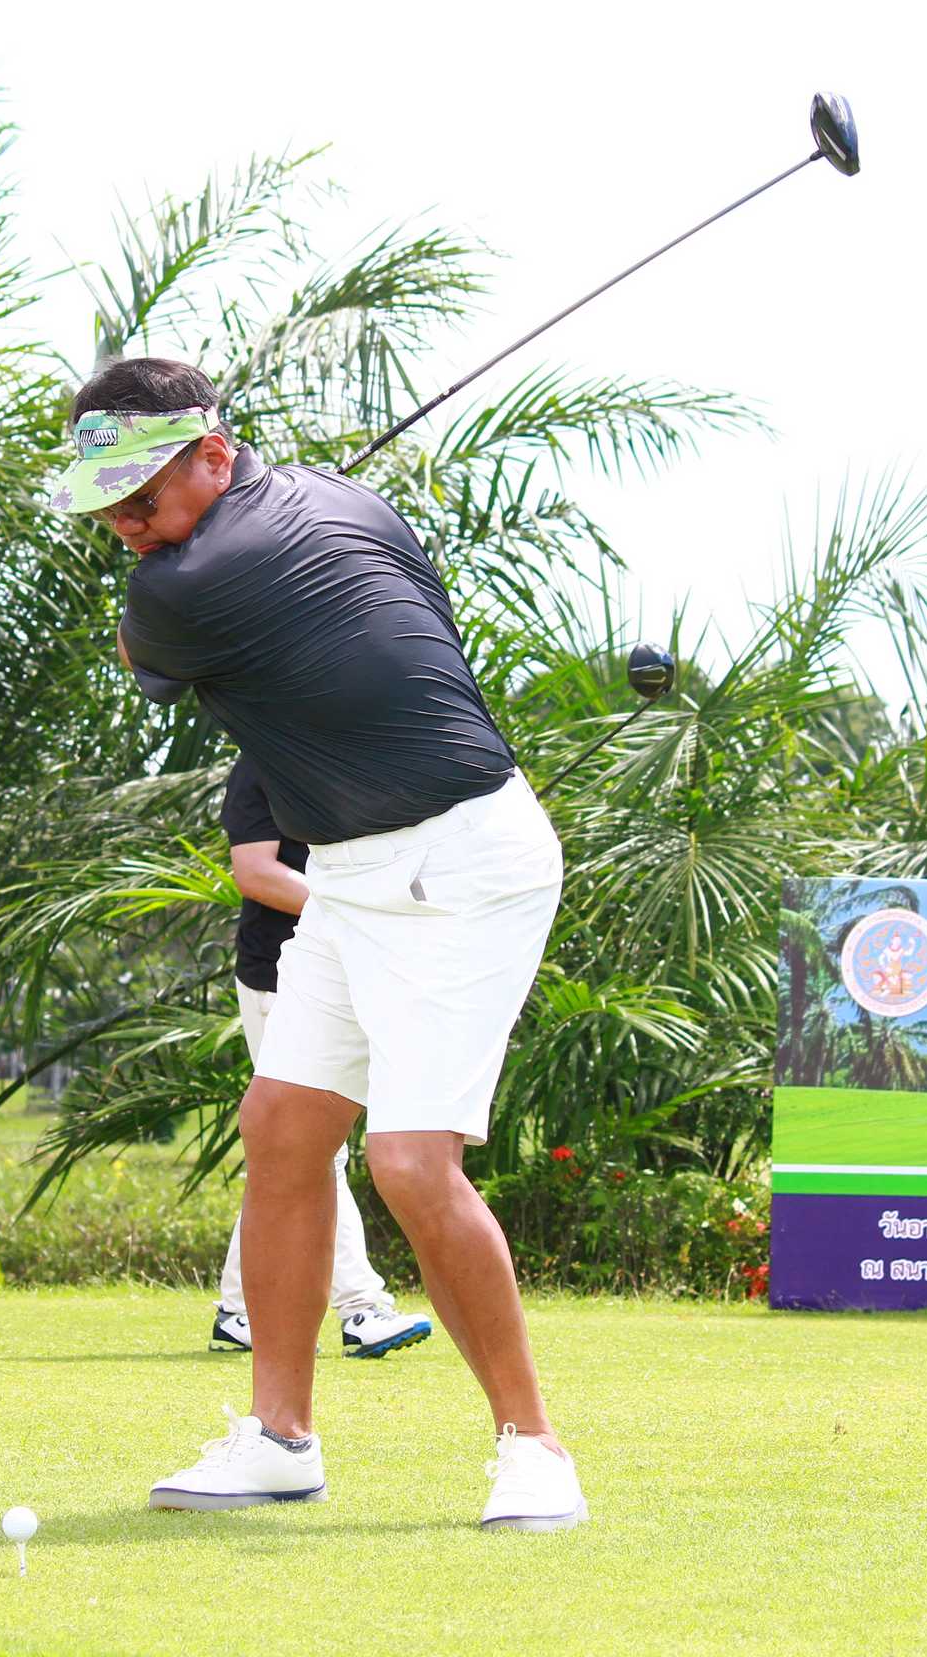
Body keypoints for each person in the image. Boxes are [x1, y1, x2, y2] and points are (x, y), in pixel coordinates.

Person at [47, 357, 586, 1533]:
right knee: (284, 1129)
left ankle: (534, 1448)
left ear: (215, 455)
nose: (125, 524)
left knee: (410, 1164)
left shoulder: (178, 591)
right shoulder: (349, 500)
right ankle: (279, 1439)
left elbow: (144, 658)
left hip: (458, 864)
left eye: (143, 495)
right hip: (349, 870)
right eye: (107, 505)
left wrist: (201, 555)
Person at [211, 753, 431, 1360]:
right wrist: (361, 909)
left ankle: (240, 1311)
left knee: (292, 1151)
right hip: (279, 977)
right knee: (311, 1147)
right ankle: (362, 1308)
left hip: (353, 970)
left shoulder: (358, 755)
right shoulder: (264, 760)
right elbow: (256, 871)